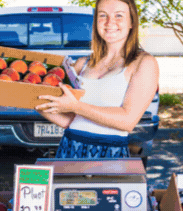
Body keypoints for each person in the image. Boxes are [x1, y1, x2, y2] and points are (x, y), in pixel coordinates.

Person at [35, 0, 159, 158]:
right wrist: (32, 99)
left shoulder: (144, 63)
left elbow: (128, 120)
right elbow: (70, 121)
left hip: (109, 152)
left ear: (132, 22)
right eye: (103, 15)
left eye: (119, 16)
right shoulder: (82, 64)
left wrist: (76, 106)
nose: (109, 22)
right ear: (95, 22)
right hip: (70, 148)